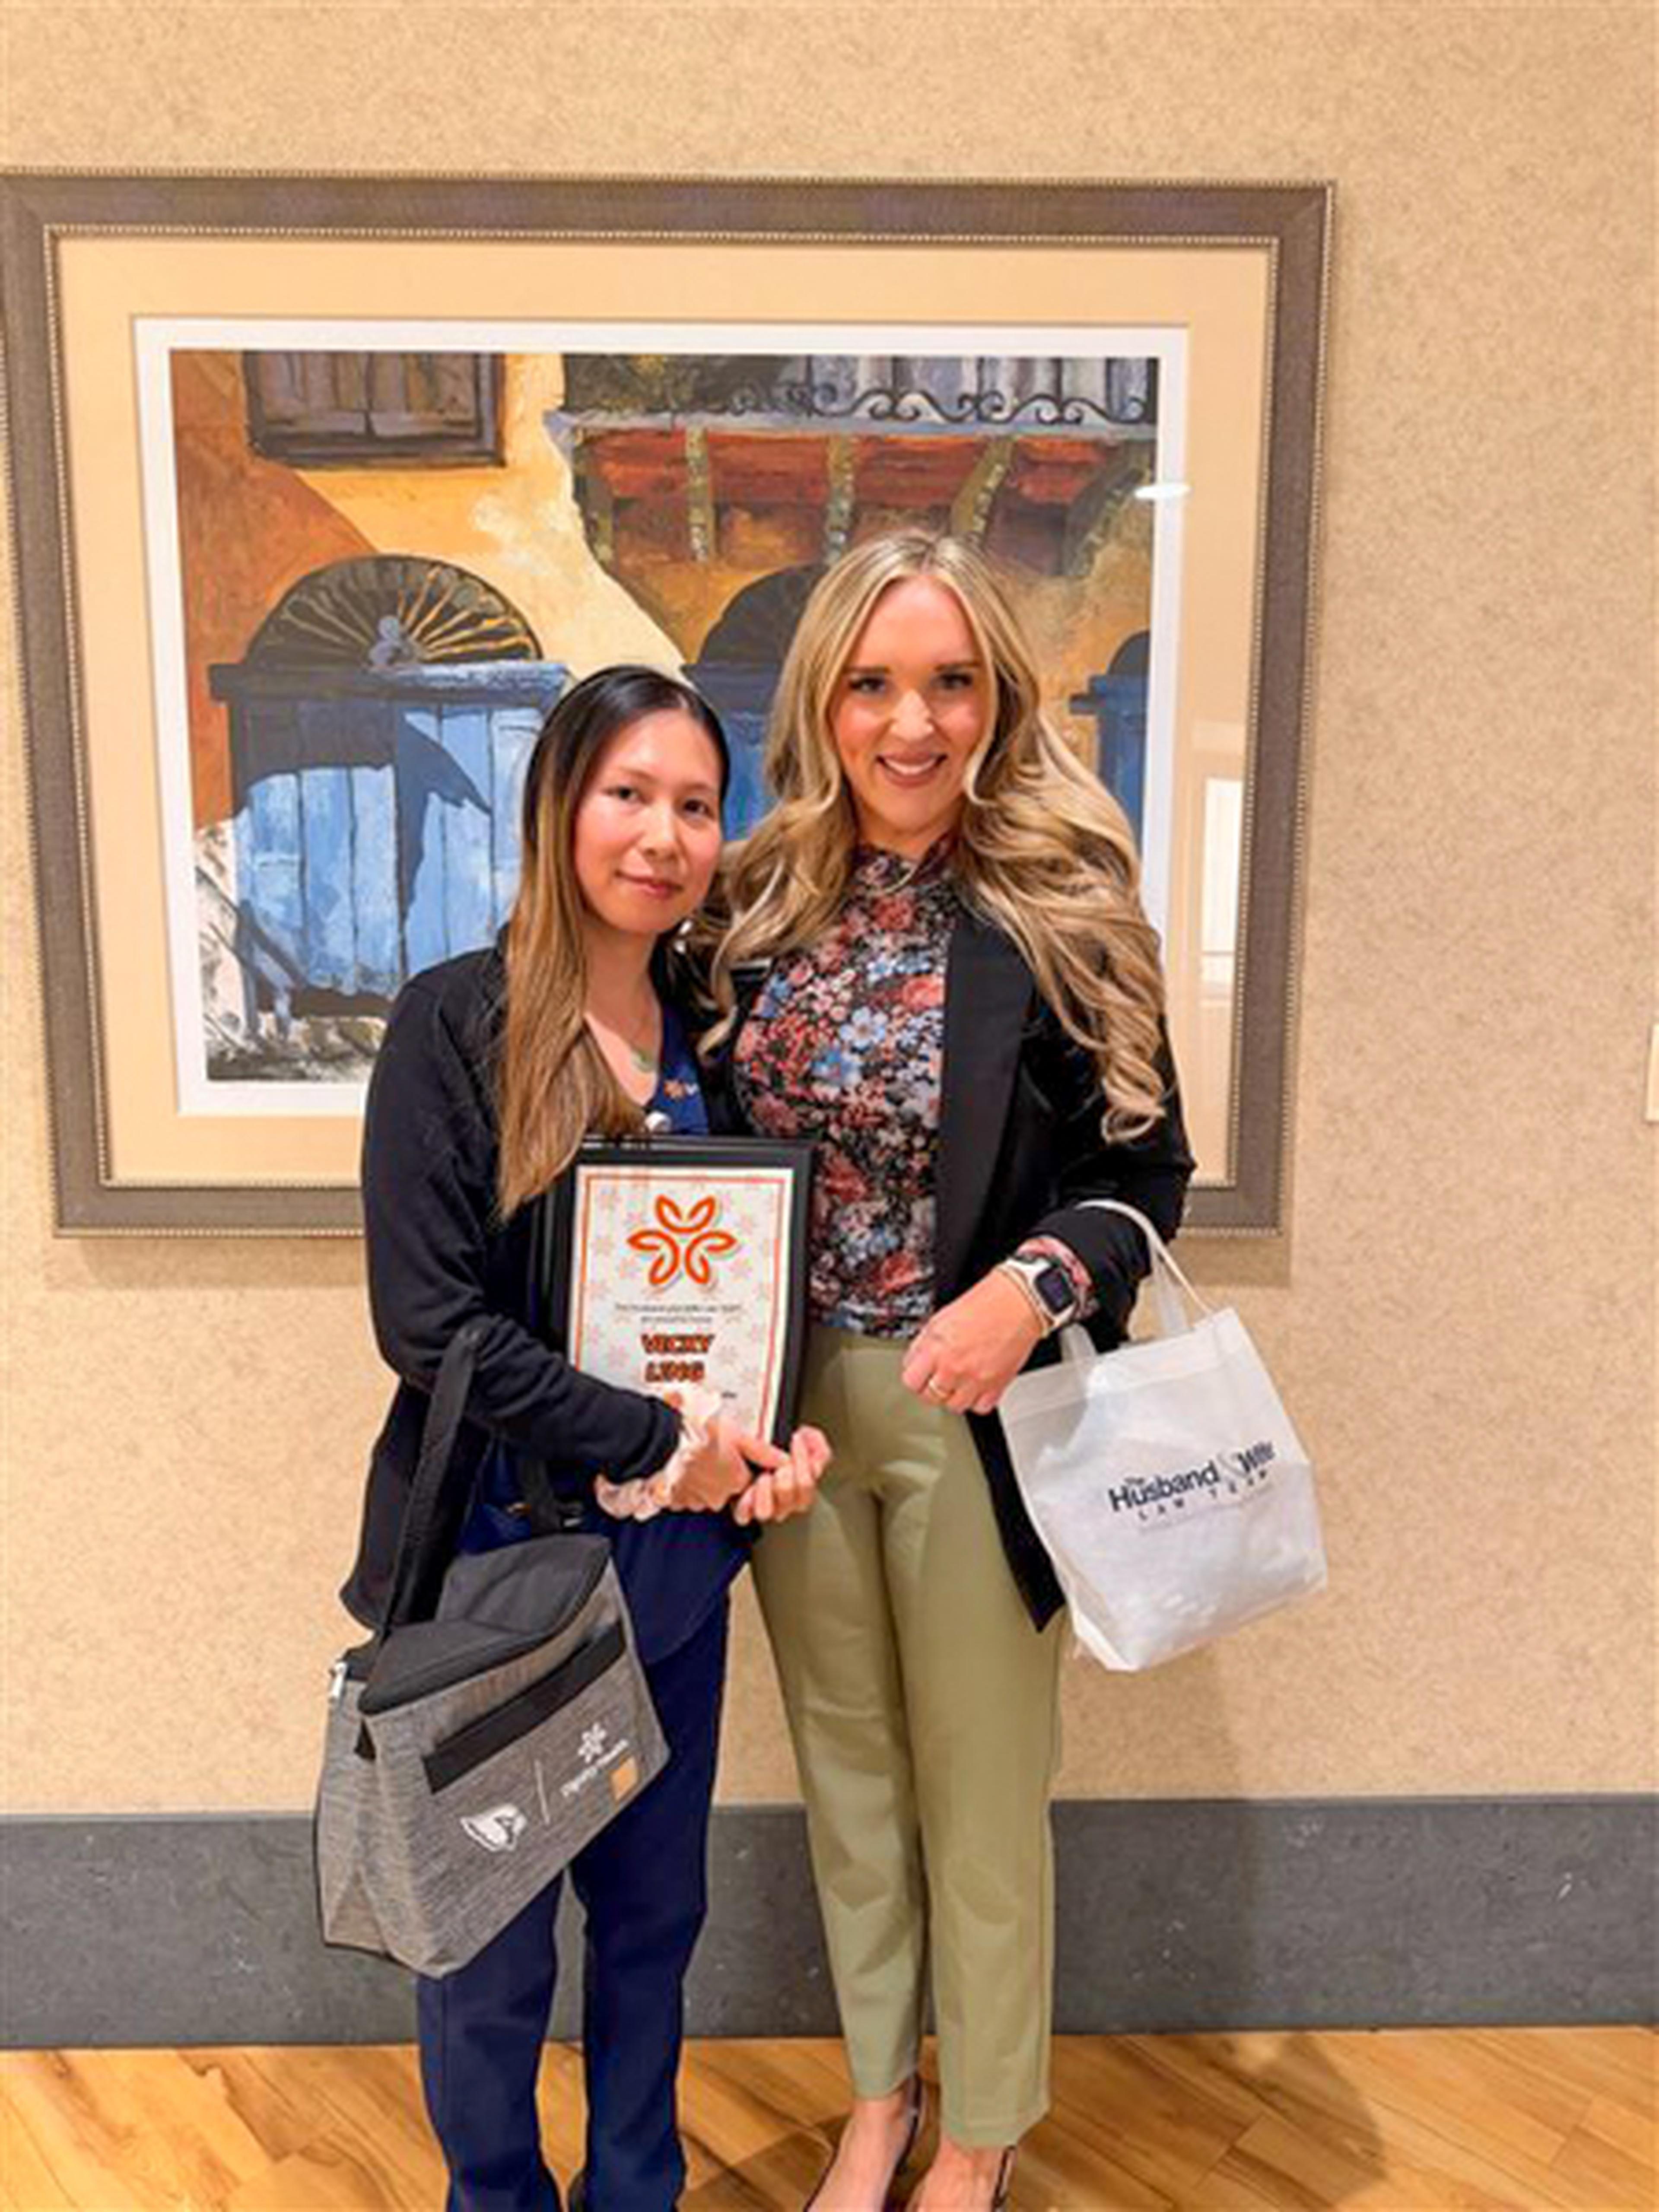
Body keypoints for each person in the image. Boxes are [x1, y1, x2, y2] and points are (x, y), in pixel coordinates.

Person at [705, 534, 1195, 2212]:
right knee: (849, 1781)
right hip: (794, 1425)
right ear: (821, 700)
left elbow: (1148, 1172)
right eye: (873, 684)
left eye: (949, 683)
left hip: (980, 1413)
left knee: (981, 1792)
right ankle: (876, 2097)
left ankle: (980, 2128)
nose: (911, 724)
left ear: (999, 696)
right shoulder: (754, 908)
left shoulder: (1065, 903)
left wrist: (1027, 1288)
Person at [342, 665, 828, 2212]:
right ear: (560, 804)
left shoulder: (719, 1040)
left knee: (651, 1924)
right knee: (489, 1942)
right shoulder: (455, 1025)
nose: (663, 837)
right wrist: (657, 1433)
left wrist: (772, 1442)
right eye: (629, 795)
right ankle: (496, 2196)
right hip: (498, 1561)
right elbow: (435, 1331)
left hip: (676, 1571)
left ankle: (637, 2191)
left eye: (696, 805)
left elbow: (757, 1294)